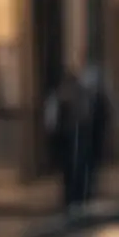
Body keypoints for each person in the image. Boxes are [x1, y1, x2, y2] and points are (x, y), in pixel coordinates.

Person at [43, 66, 98, 210]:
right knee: (78, 167)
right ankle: (78, 196)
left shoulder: (60, 95)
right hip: (77, 135)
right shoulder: (79, 94)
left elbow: (51, 119)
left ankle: (72, 197)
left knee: (70, 168)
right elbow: (88, 113)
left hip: (68, 136)